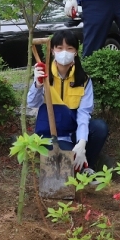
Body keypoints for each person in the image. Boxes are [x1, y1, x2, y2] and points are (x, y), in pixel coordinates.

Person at [28, 30, 108, 177]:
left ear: (76, 52)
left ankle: (85, 165)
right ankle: (75, 165)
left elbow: (84, 113)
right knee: (65, 158)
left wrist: (82, 142)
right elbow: (32, 103)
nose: (64, 52)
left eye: (69, 48)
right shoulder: (44, 74)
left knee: (99, 128)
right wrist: (37, 85)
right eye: (59, 48)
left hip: (72, 132)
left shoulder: (83, 80)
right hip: (49, 135)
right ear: (52, 50)